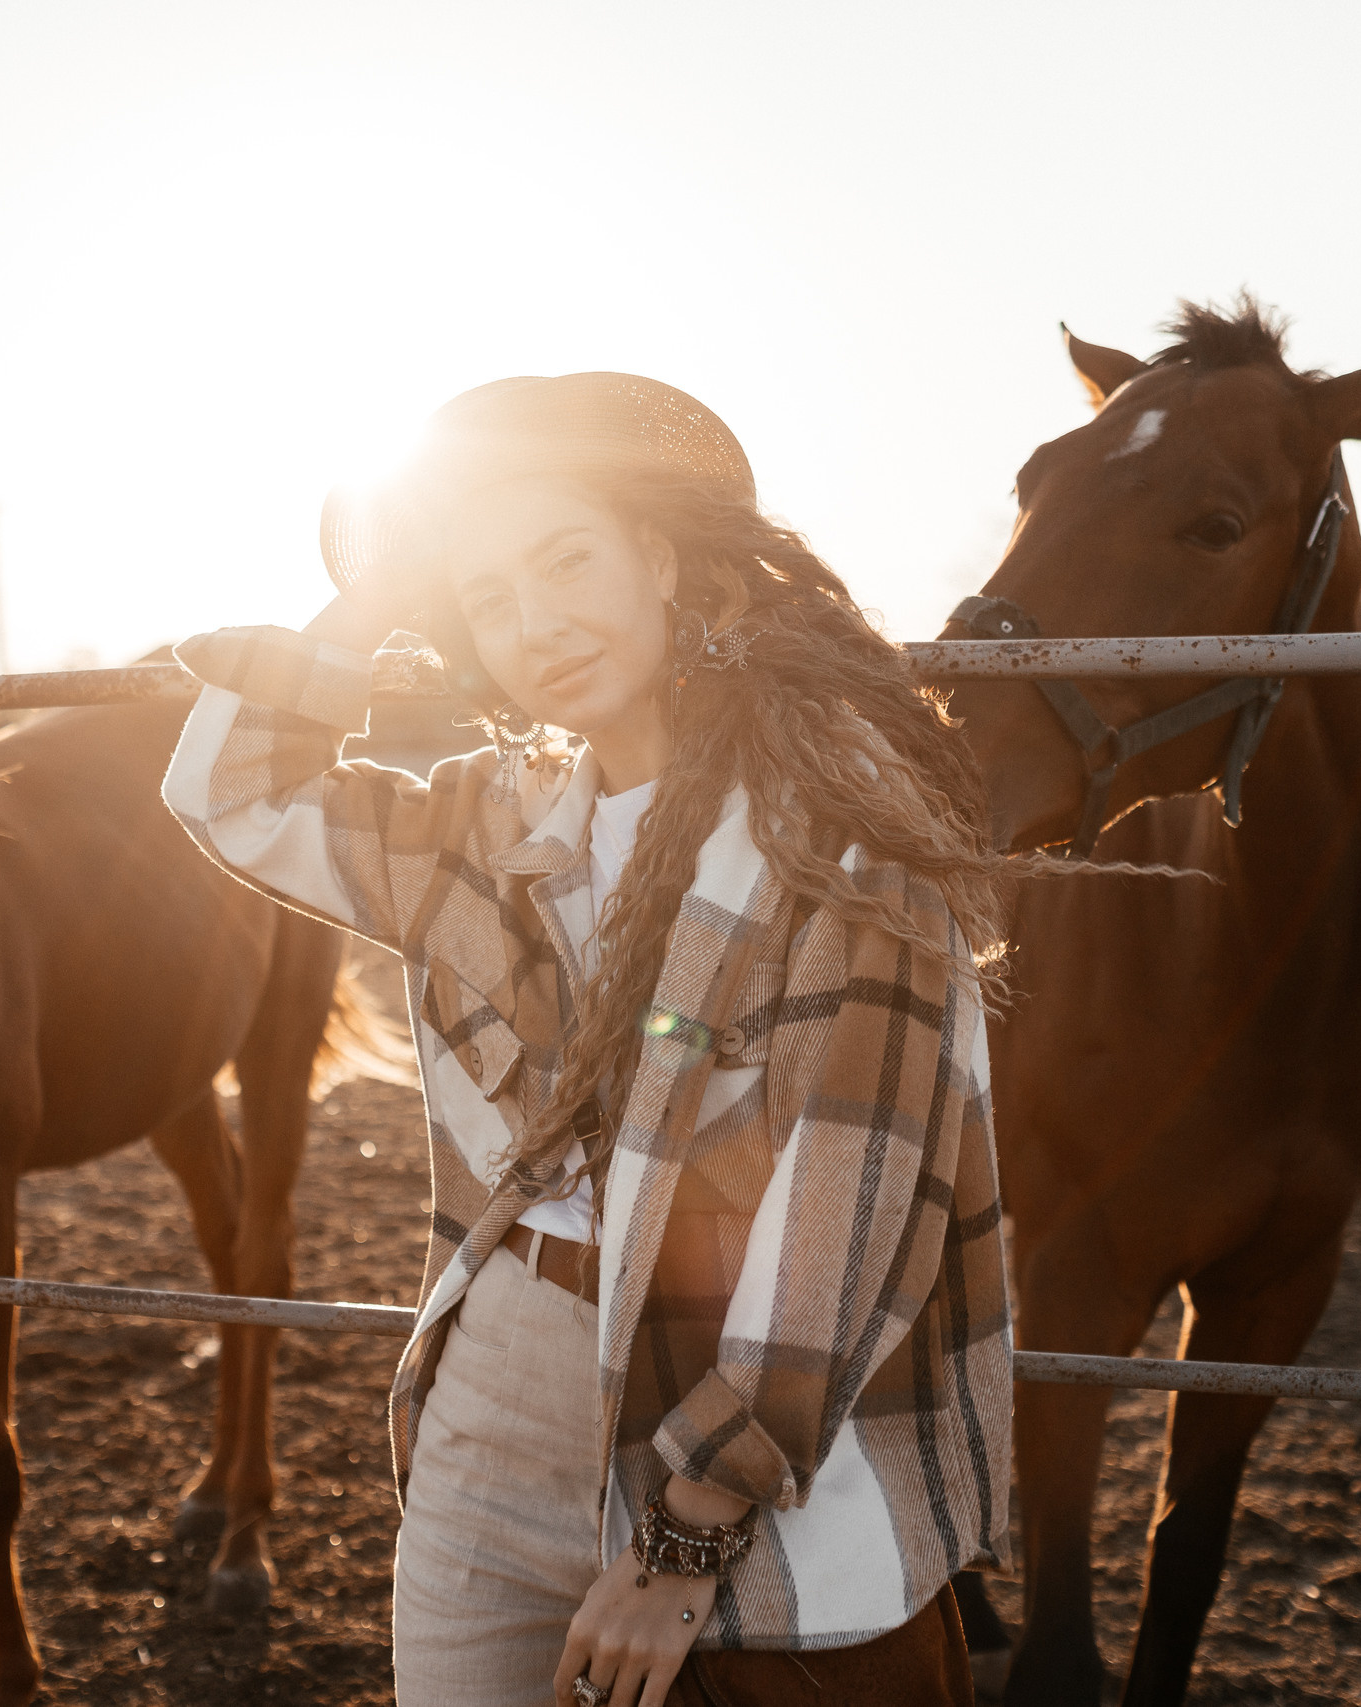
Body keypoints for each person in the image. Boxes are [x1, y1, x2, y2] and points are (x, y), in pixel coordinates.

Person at [161, 374, 1012, 1707]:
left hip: (732, 1406)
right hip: (498, 1380)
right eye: (489, 599)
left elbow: (850, 1208)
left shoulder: (839, 835)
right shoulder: (486, 824)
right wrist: (385, 592)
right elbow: (228, 790)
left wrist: (688, 1532)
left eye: (567, 561)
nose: (536, 625)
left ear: (661, 560)